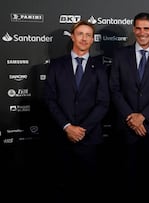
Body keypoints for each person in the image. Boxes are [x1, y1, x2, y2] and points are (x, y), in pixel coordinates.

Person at [44, 20, 110, 202]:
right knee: (61, 186)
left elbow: (103, 102)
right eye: (80, 34)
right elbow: (50, 99)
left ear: (92, 40)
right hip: (61, 137)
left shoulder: (101, 68)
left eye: (88, 35)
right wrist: (67, 127)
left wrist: (81, 129)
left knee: (88, 188)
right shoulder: (56, 65)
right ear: (72, 36)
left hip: (88, 138)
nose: (84, 38)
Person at [109, 12, 149, 202]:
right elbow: (114, 88)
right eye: (138, 28)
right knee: (128, 179)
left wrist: (143, 116)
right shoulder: (120, 55)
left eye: (146, 28)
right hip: (127, 128)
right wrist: (131, 117)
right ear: (133, 29)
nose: (142, 32)